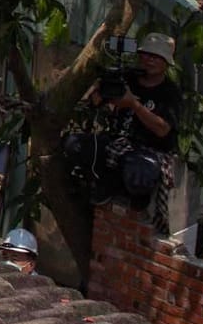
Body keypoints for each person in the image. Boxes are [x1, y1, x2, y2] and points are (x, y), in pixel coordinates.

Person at [62, 31, 183, 211]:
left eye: (156, 57)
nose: (149, 60)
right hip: (117, 142)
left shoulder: (169, 92)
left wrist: (133, 104)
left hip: (148, 151)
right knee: (73, 144)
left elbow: (163, 129)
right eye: (146, 54)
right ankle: (104, 186)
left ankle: (127, 196)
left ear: (166, 63)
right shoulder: (127, 77)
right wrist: (99, 89)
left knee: (139, 176)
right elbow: (96, 102)